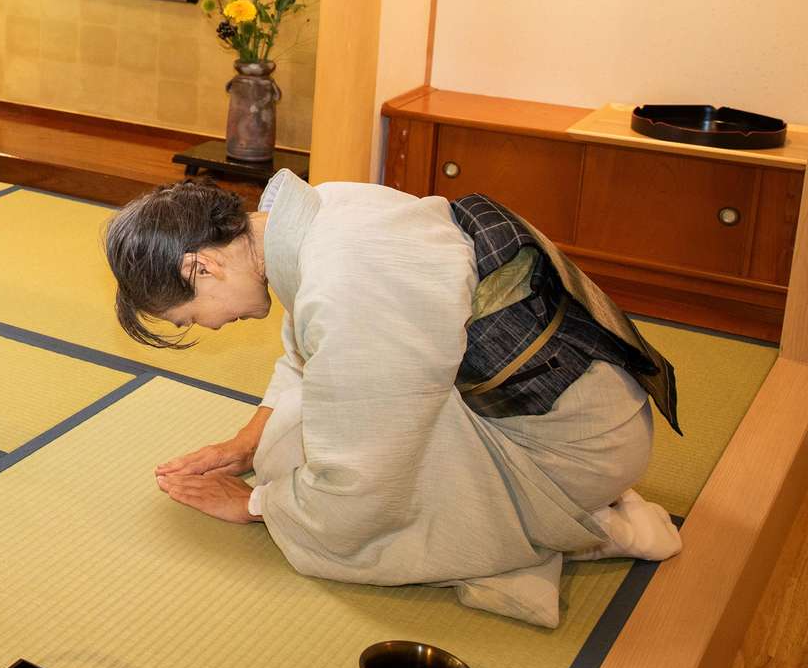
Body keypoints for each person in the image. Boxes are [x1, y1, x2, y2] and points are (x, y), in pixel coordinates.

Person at [106, 173, 682, 627]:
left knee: (320, 506)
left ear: (201, 265)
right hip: (593, 406)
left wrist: (258, 507)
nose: (207, 329)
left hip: (573, 453)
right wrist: (244, 444)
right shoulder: (320, 212)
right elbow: (308, 356)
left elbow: (364, 475)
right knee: (287, 439)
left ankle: (571, 526)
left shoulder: (346, 281)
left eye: (189, 316)